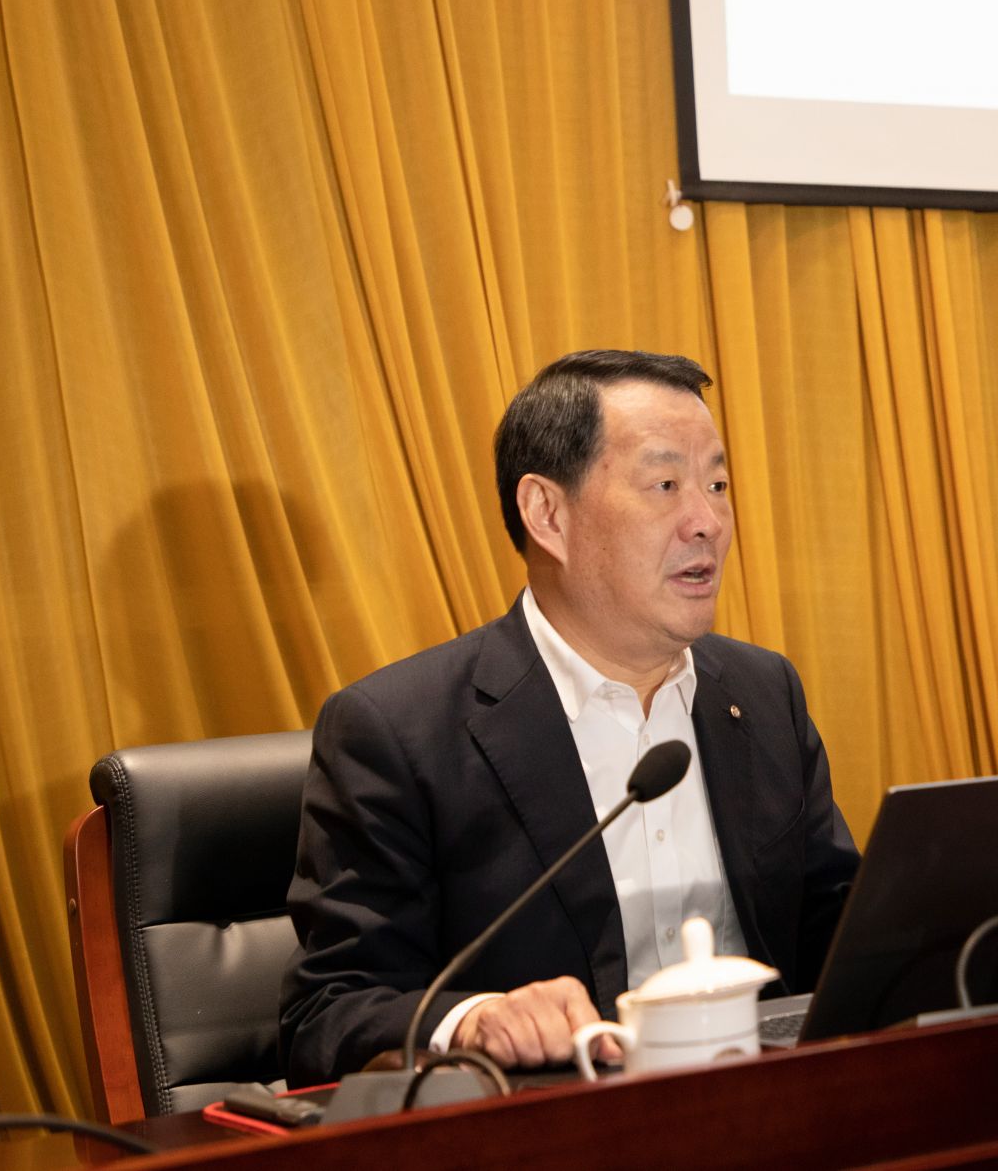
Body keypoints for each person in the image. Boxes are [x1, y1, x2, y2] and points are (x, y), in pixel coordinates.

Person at [280, 350, 859, 1083]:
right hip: (561, 1116)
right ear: (547, 514)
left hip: (773, 1100)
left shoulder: (763, 691)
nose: (708, 522)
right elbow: (326, 1011)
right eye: (666, 485)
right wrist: (474, 1019)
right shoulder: (398, 732)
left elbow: (839, 929)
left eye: (717, 484)